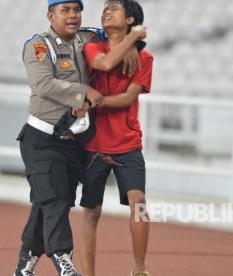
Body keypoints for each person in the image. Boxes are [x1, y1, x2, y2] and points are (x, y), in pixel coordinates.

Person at [13, 0, 146, 275]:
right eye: (65, 11)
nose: (72, 16)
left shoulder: (89, 36)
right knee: (56, 200)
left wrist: (133, 44)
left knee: (45, 200)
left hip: (74, 141)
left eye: (76, 10)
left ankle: (25, 262)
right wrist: (83, 91)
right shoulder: (39, 46)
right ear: (51, 15)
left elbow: (116, 35)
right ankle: (64, 260)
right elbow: (43, 84)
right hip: (42, 137)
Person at [78, 1, 153, 276]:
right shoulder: (92, 47)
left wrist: (92, 102)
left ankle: (140, 267)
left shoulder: (145, 58)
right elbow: (106, 62)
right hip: (94, 143)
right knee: (90, 211)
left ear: (130, 18)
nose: (106, 12)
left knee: (139, 201)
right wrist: (133, 39)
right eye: (105, 9)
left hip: (127, 143)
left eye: (115, 8)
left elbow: (128, 98)